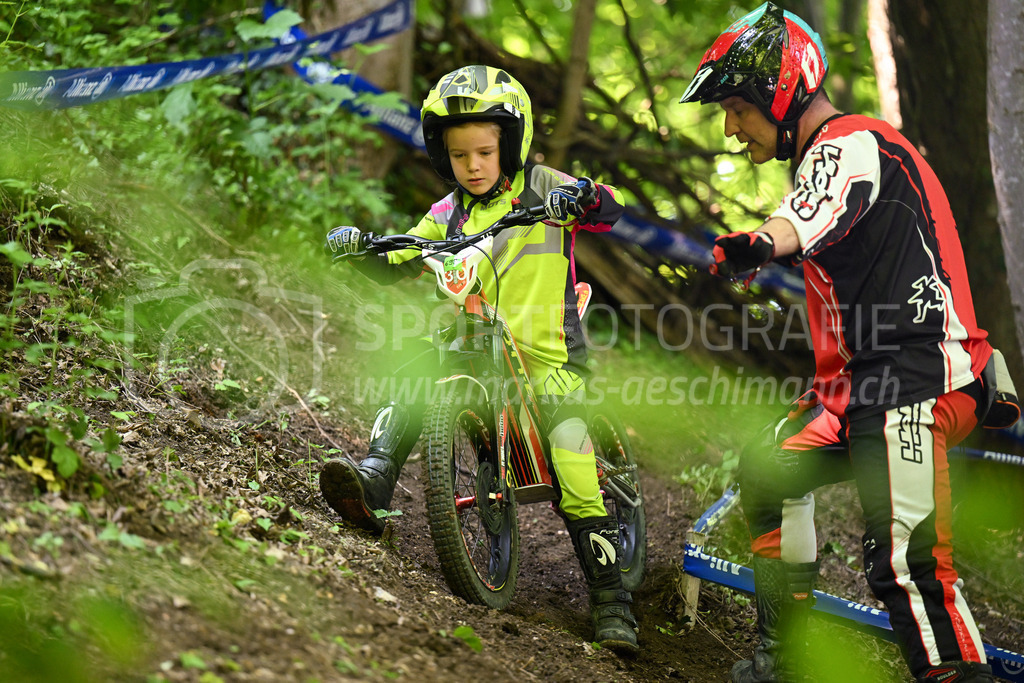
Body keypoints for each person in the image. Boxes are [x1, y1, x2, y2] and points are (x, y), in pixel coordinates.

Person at [679, 3, 1018, 682]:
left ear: (779, 91)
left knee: (907, 563)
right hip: (871, 387)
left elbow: (805, 215)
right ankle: (788, 656)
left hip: (917, 380)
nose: (729, 126)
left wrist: (759, 244)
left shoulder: (849, 142)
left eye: (738, 107)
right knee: (772, 467)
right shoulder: (838, 154)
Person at [320, 65, 639, 653]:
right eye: (458, 153)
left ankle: (612, 600)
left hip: (548, 354)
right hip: (475, 343)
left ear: (510, 145)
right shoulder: (447, 214)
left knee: (571, 451)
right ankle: (375, 480)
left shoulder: (542, 185)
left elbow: (609, 208)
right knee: (416, 371)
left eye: (485, 151)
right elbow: (398, 257)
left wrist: (586, 196)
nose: (472, 164)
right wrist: (362, 245)